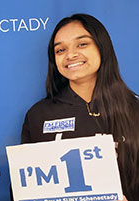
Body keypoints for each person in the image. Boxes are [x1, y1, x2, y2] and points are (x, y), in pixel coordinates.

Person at [21, 14, 138, 200]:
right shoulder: (39, 115)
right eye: (60, 50)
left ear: (102, 47)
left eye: (82, 44)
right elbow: (23, 190)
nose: (70, 55)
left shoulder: (135, 109)